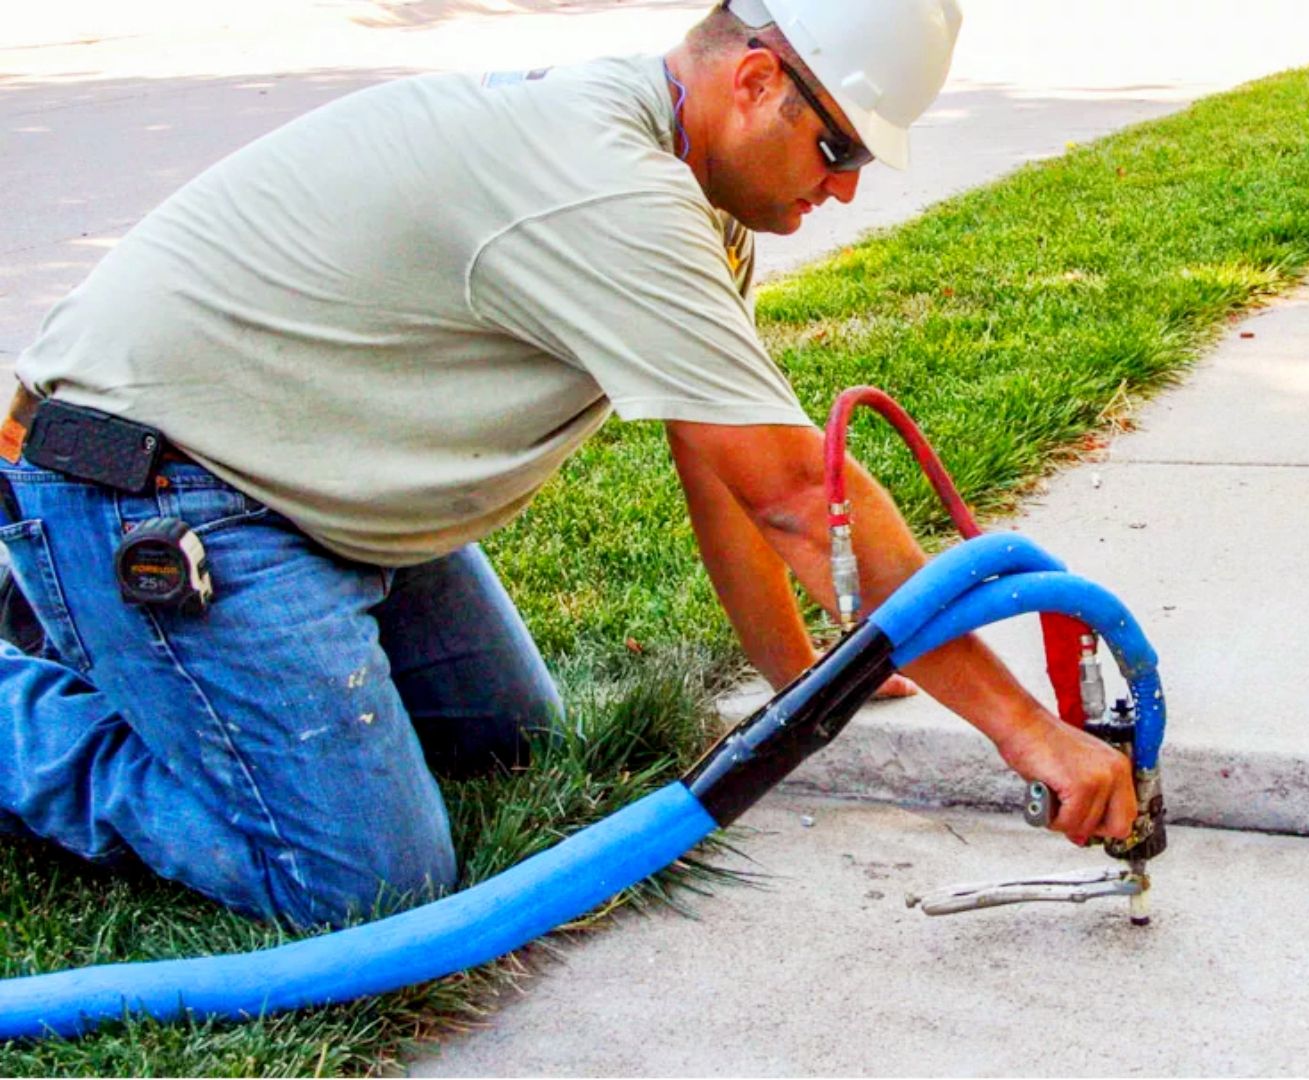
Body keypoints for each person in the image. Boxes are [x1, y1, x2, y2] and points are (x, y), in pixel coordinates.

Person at [0, 0, 1137, 930]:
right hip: (151, 483)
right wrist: (1029, 735)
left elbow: (728, 470)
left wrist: (804, 685)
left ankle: (134, 646)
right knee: (362, 884)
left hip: (306, 490)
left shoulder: (694, 202)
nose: (843, 187)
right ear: (752, 81)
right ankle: (40, 682)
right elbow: (800, 497)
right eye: (837, 145)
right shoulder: (614, 187)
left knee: (510, 748)